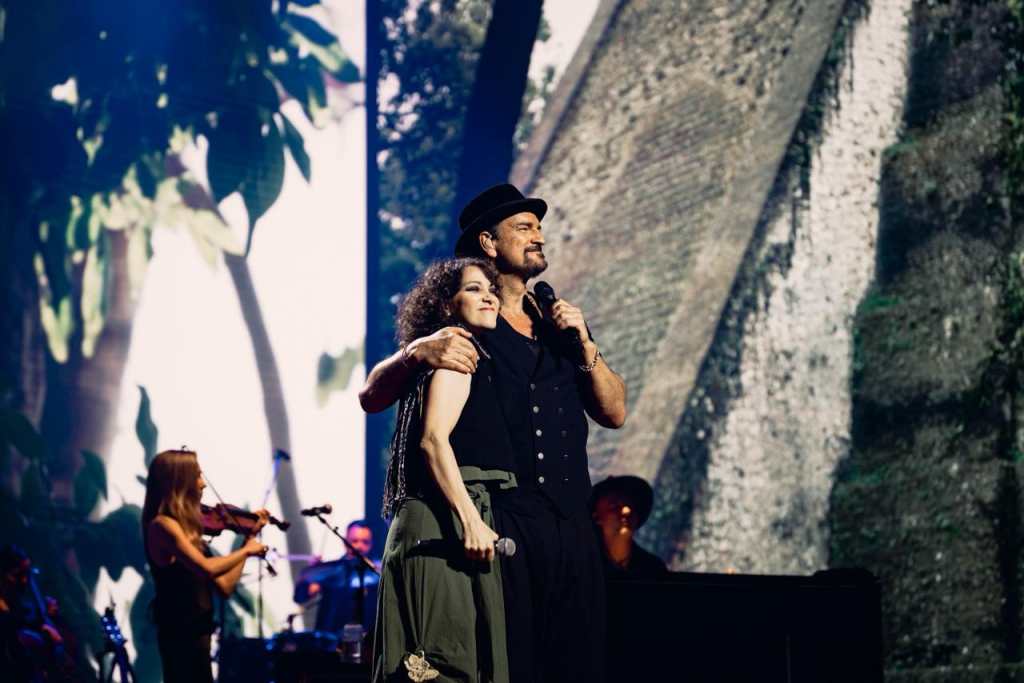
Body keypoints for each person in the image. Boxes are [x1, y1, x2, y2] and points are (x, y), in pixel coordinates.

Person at [361, 184, 628, 682]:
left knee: (578, 664)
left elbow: (614, 412)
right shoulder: (463, 330)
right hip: (506, 523)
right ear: (488, 242)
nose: (538, 237)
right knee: (510, 663)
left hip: (572, 525)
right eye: (524, 228)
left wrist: (585, 342)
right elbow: (372, 395)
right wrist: (416, 351)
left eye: (539, 228)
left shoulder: (559, 329)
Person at [372, 257, 516, 683]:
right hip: (443, 521)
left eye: (490, 288)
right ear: (446, 305)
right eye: (473, 289)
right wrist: (470, 520)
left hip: (442, 518)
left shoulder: (459, 351)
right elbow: (433, 440)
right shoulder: (456, 349)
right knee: (442, 662)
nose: (488, 294)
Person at [142, 448, 269, 683]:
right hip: (180, 634)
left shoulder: (189, 532)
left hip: (198, 632)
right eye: (198, 476)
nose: (203, 484)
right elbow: (206, 568)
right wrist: (246, 551)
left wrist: (247, 541)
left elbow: (224, 586)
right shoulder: (163, 525)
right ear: (182, 482)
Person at [293, 519, 381, 635]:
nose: (359, 546)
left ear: (371, 544)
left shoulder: (378, 572)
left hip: (368, 639)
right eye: (354, 541)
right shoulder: (330, 571)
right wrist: (313, 574)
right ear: (345, 542)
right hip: (331, 639)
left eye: (365, 542)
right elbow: (301, 597)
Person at [590, 475, 668, 579]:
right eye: (614, 506)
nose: (626, 511)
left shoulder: (653, 568)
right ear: (596, 517)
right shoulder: (582, 564)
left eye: (630, 505)